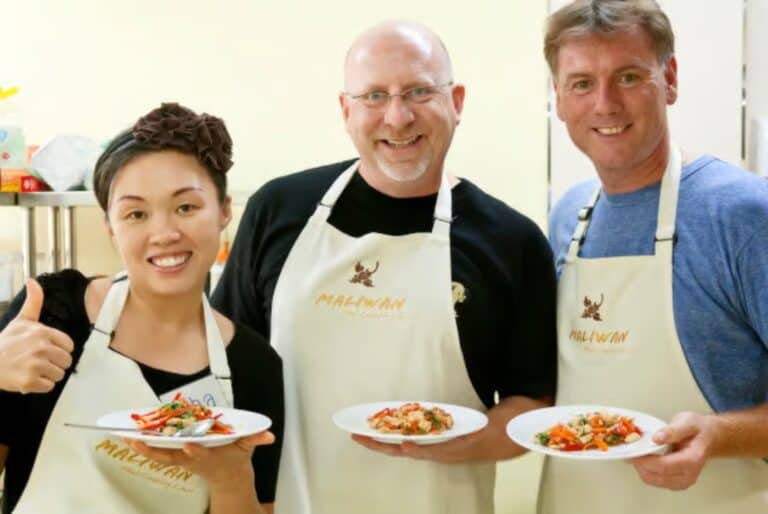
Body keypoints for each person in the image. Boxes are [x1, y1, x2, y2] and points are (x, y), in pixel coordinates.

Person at [211, 19, 557, 514]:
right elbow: (228, 365)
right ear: (345, 109)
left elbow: (532, 402)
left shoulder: (511, 241)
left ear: (457, 102)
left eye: (419, 91)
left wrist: (465, 443)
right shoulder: (279, 209)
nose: (397, 117)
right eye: (374, 96)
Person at [0, 103, 284, 514]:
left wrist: (232, 478)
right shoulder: (51, 314)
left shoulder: (254, 366)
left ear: (224, 211)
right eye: (136, 213)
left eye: (186, 207)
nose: (164, 233)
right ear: (110, 227)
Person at [543, 1, 768, 512]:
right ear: (559, 98)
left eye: (628, 77)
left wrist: (719, 435)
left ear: (669, 79)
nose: (605, 104)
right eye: (581, 83)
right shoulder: (569, 217)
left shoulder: (743, 215)